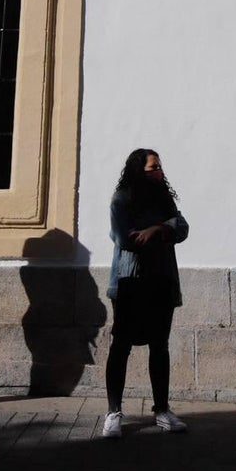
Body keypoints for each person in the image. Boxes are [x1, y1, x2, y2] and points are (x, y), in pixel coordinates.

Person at [102, 148, 189, 438]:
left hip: (161, 279)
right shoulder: (122, 199)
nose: (158, 171)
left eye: (160, 166)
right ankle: (114, 412)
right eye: (153, 167)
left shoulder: (164, 200)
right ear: (139, 170)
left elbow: (183, 226)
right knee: (122, 345)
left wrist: (156, 228)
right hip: (130, 278)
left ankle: (162, 409)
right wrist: (162, 232)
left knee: (159, 345)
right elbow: (124, 237)